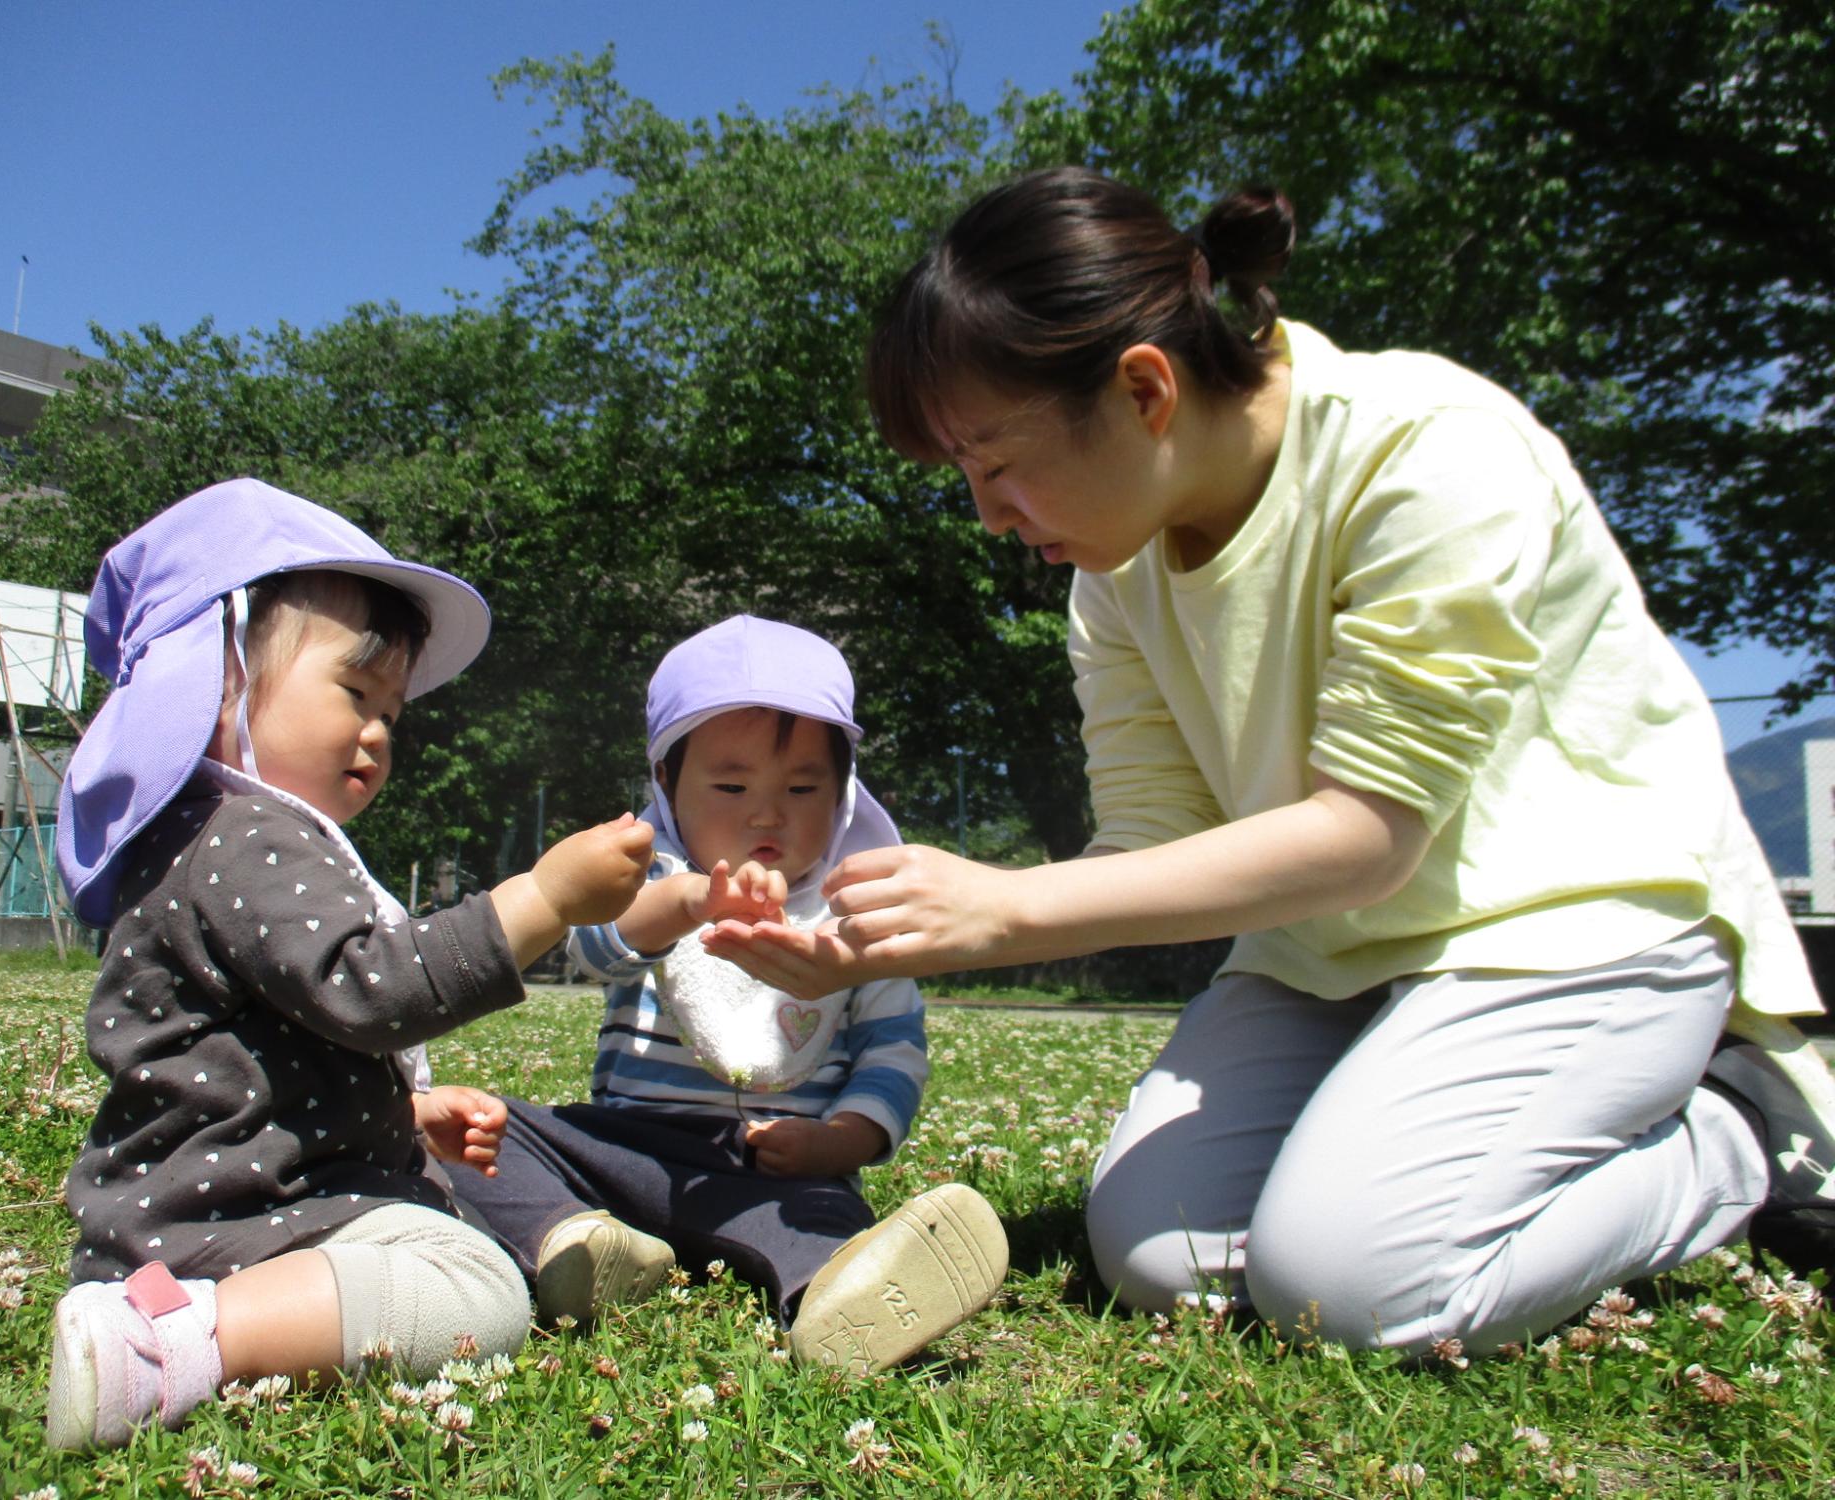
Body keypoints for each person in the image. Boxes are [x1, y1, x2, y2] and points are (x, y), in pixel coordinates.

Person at [705, 168, 1835, 1354]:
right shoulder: (1111, 574)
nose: (987, 514)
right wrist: (868, 944)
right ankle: (1401, 1129)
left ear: (1143, 390)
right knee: (1157, 1254)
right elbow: (1151, 845)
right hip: (1323, 962)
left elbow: (1366, 835)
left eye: (994, 462)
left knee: (1360, 1290)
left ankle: (1739, 1134)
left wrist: (1005, 909)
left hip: (1578, 926)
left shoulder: (1427, 451)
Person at [45, 478, 654, 1447]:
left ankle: (172, 1315)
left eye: (392, 710)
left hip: (213, 1200)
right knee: (475, 1286)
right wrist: (540, 900)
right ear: (216, 677)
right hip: (232, 1215)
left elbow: (263, 1050)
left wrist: (402, 1112)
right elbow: (373, 990)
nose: (377, 730)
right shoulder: (247, 837)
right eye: (353, 691)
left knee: (456, 1242)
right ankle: (169, 1340)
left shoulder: (230, 835)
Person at [446, 615, 1008, 1375]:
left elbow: (894, 1050)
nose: (767, 812)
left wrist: (840, 1141)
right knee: (479, 1136)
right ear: (668, 787)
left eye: (803, 787)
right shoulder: (648, 878)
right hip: (626, 1149)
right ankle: (572, 1239)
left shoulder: (858, 908)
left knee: (822, 1218)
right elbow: (594, 948)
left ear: (843, 796)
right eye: (732, 785)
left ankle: (838, 1297)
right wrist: (683, 904)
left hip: (772, 1174)